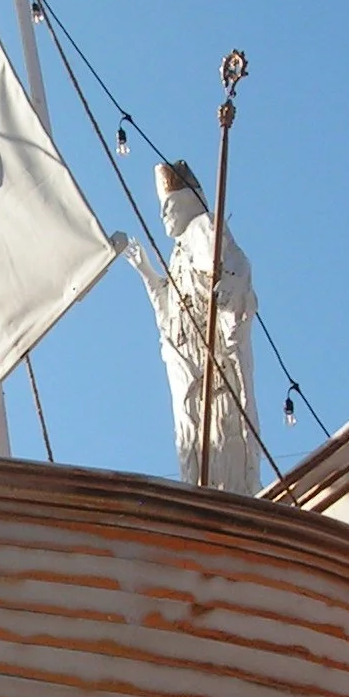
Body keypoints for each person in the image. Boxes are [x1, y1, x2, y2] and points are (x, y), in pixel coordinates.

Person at [117, 159, 262, 494]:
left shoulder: (203, 228)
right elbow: (169, 316)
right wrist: (146, 270)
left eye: (168, 206)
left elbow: (233, 266)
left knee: (223, 435)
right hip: (188, 369)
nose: (163, 215)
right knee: (194, 444)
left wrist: (227, 285)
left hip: (214, 365)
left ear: (187, 201)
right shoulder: (177, 257)